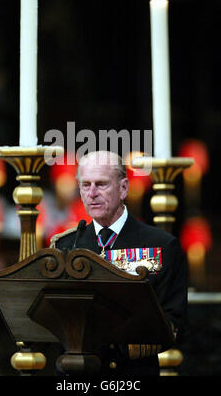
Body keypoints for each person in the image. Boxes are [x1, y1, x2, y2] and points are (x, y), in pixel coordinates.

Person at [50, 151, 187, 376]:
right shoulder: (65, 245)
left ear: (124, 188)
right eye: (85, 185)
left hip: (130, 373)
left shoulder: (161, 245)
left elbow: (174, 324)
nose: (92, 193)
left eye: (101, 184)